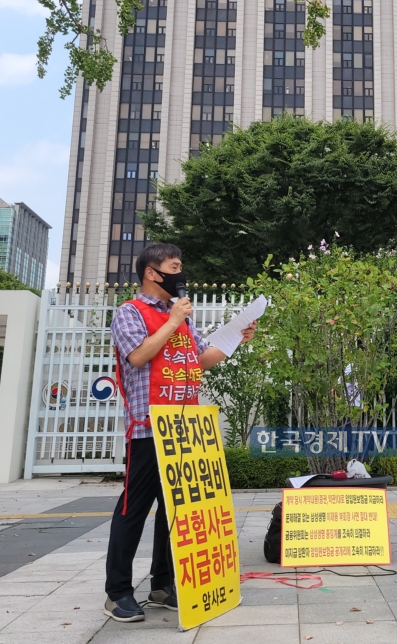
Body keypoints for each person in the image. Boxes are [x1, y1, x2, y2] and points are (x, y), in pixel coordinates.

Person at [102, 243, 257, 623]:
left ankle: (162, 584)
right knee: (133, 509)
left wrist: (237, 337)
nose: (180, 274)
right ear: (153, 273)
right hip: (148, 428)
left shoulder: (184, 319)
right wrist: (172, 321)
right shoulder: (130, 312)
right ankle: (117, 592)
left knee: (176, 510)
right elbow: (137, 356)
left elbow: (202, 359)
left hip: (185, 427)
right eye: (174, 267)